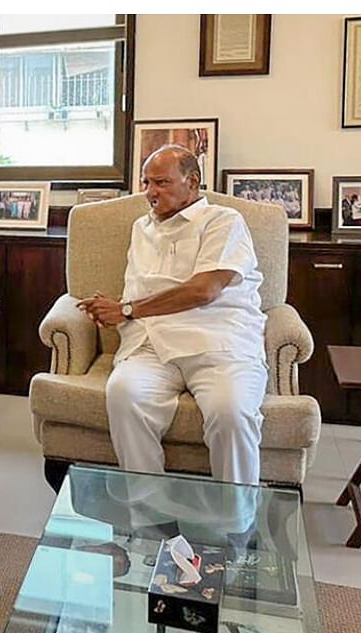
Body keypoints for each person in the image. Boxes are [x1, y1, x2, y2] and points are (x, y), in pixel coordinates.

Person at [78, 145, 268, 491]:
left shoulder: (224, 221)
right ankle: (150, 516)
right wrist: (114, 308)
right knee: (123, 393)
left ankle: (237, 526)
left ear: (192, 181)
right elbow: (138, 291)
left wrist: (126, 310)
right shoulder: (141, 228)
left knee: (232, 413)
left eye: (162, 182)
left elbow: (205, 289)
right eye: (146, 182)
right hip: (151, 344)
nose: (150, 192)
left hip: (218, 343)